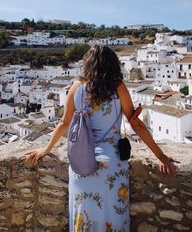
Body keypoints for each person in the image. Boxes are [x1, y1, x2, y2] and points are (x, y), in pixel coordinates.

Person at [25, 45, 177, 232]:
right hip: (111, 166)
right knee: (112, 220)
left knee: (85, 222)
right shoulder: (118, 87)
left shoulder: (76, 87)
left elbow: (64, 124)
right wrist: (160, 156)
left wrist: (45, 149)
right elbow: (136, 124)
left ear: (88, 64)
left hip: (82, 166)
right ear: (113, 65)